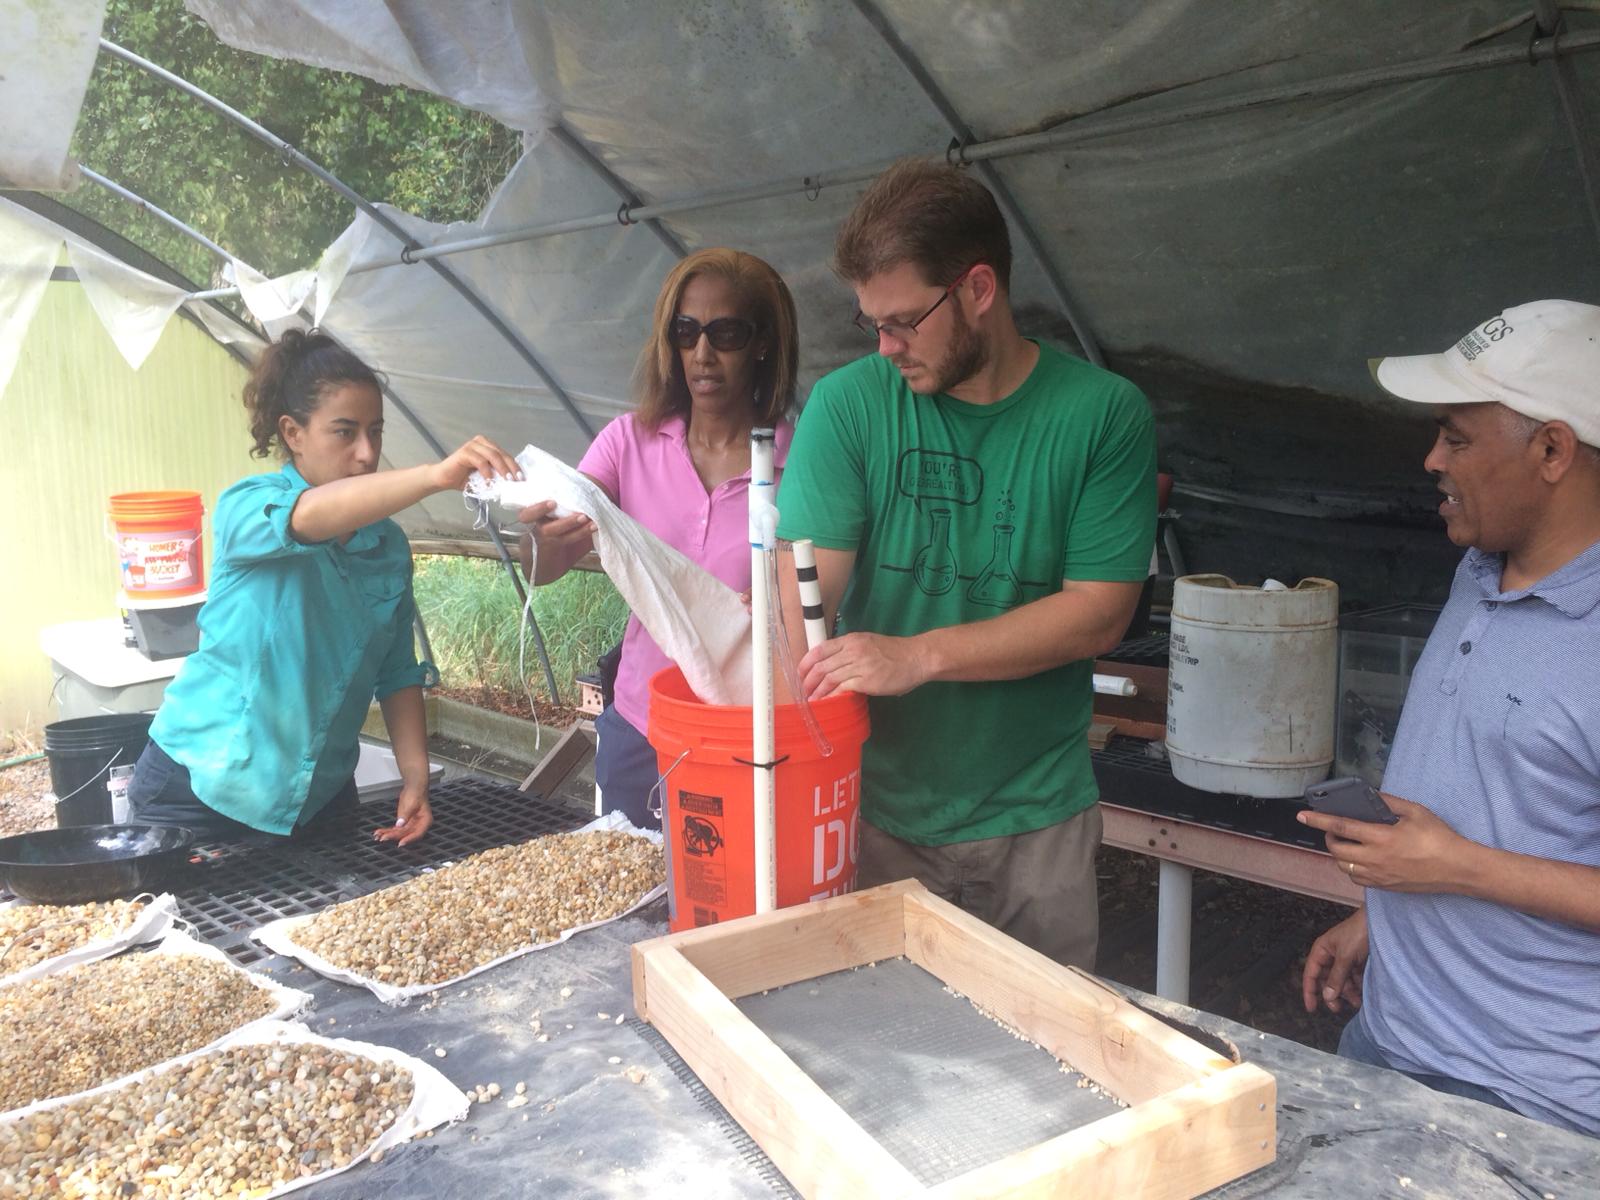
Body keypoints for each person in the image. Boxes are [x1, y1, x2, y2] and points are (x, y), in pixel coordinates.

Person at [775, 159, 1158, 968]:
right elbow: (803, 589)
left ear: (979, 289)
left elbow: (1100, 611)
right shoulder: (849, 405)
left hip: (1037, 818)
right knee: (880, 1063)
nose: (886, 347)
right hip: (876, 810)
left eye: (905, 320)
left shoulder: (1102, 415)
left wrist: (918, 655)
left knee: (1049, 1066)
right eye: (870, 324)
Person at [1300, 299, 1600, 1136]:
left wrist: (1455, 869)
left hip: (1533, 1106)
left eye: (1457, 437)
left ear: (1552, 450)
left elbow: (1473, 855)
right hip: (1394, 1041)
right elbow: (1517, 803)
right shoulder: (1480, 571)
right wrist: (1388, 915)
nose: (1431, 459)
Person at [128, 330, 520, 846]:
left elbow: (397, 670)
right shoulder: (248, 508)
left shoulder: (386, 545)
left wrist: (416, 776)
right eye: (345, 432)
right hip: (201, 788)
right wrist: (434, 475)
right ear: (293, 433)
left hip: (319, 796)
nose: (365, 452)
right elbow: (308, 517)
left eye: (375, 432)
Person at [516, 249, 800, 830]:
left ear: (763, 344)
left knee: (729, 907)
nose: (702, 353)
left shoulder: (796, 459)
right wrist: (543, 534)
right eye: (686, 332)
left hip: (745, 730)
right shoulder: (630, 442)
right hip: (642, 727)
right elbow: (545, 563)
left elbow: (817, 597)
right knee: (630, 905)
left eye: (726, 334)